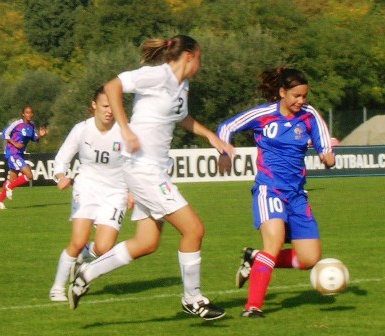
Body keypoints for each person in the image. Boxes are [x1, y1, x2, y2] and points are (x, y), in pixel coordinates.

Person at [68, 34, 234, 320]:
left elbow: (180, 117)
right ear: (190, 56)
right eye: (201, 58)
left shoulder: (182, 85)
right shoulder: (157, 75)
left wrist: (211, 136)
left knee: (147, 242)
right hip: (143, 169)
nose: (201, 64)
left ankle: (87, 272)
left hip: (154, 169)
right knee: (194, 230)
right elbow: (112, 86)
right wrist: (126, 129)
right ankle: (193, 299)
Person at [217, 67, 335, 318]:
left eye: (304, 96)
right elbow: (227, 128)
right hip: (268, 190)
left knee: (309, 259)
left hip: (297, 196)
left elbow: (324, 144)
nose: (301, 101)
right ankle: (253, 307)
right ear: (282, 92)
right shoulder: (264, 114)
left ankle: (255, 258)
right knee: (274, 242)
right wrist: (225, 152)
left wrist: (327, 155)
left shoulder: (309, 115)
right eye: (296, 96)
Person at [49, 86, 129, 302]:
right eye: (105, 106)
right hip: (87, 188)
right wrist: (60, 177)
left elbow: (135, 162)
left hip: (115, 192)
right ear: (94, 105)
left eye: (113, 106)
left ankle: (82, 258)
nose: (109, 111)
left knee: (104, 248)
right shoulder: (81, 129)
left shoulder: (124, 131)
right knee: (77, 241)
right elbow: (62, 158)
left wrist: (133, 191)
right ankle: (57, 288)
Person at [0, 106, 48, 210]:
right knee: (29, 175)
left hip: (20, 154)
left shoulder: (31, 126)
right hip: (13, 153)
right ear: (23, 114)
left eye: (31, 113)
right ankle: (9, 187)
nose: (29, 114)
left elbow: (34, 138)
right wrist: (15, 143)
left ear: (32, 114)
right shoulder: (17, 124)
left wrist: (40, 135)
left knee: (12, 179)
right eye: (27, 112)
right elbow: (5, 134)